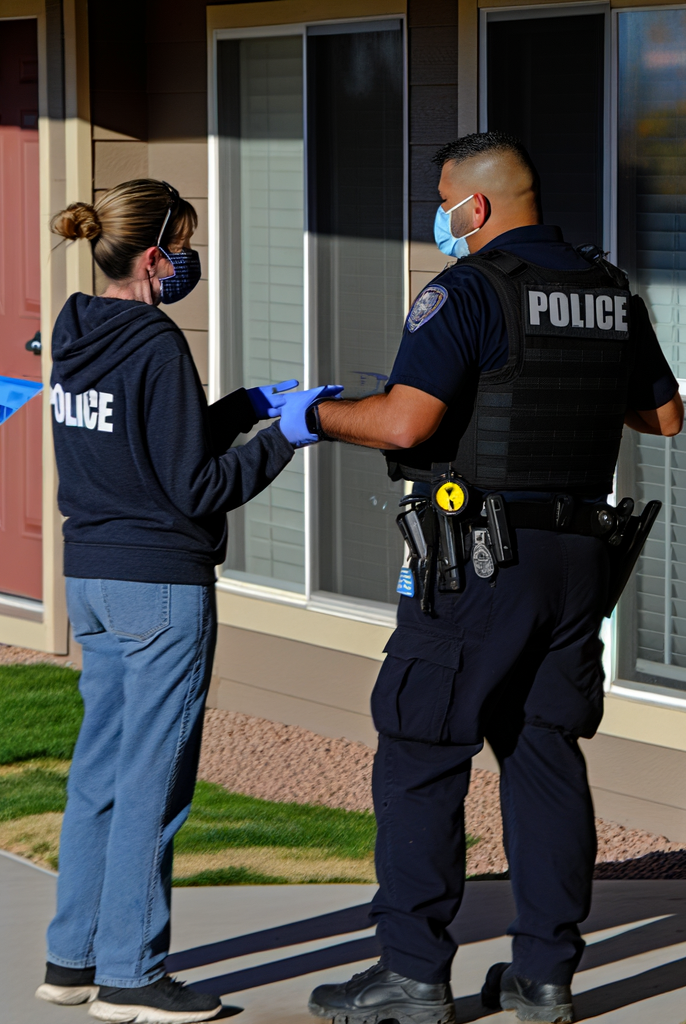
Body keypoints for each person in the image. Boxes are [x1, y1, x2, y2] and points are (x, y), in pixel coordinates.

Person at [305, 133, 683, 1024]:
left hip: (480, 559)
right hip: (579, 560)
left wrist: (314, 414)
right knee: (545, 753)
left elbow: (403, 423)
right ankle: (545, 979)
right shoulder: (606, 289)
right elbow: (663, 415)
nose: (439, 217)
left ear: (475, 208)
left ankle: (412, 977)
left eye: (443, 201)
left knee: (422, 751)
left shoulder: (467, 289)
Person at [35, 179, 338, 1024]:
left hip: (90, 579)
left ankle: (74, 959)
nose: (190, 261)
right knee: (153, 786)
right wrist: (285, 437)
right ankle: (133, 976)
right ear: (157, 252)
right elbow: (197, 486)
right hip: (161, 588)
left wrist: (242, 407)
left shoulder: (76, 332)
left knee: (98, 773)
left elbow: (147, 446)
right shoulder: (157, 341)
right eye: (187, 243)